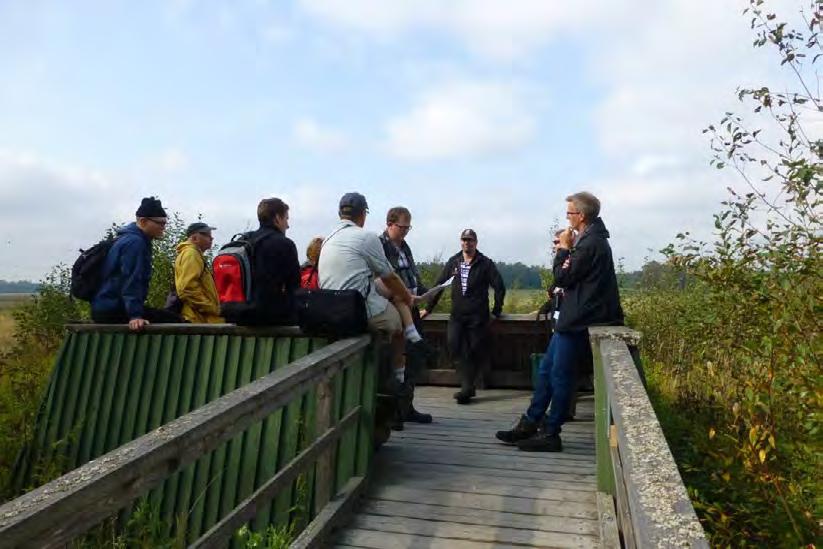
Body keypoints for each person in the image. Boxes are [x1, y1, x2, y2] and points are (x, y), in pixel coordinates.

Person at [496, 192, 623, 452]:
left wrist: (564, 248)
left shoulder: (590, 244)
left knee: (560, 376)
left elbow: (562, 278)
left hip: (579, 320)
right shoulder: (591, 240)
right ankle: (531, 422)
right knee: (546, 372)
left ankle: (551, 433)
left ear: (582, 216)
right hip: (573, 318)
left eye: (569, 213)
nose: (567, 218)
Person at [319, 193, 415, 390]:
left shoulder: (328, 239)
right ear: (363, 215)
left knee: (382, 289)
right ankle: (398, 381)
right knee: (398, 326)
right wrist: (407, 297)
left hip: (328, 308)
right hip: (354, 309)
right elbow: (390, 276)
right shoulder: (366, 237)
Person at [423, 229, 505, 404]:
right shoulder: (454, 262)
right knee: (454, 345)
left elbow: (499, 286)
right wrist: (428, 309)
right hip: (457, 315)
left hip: (478, 316)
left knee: (474, 349)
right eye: (464, 240)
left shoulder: (485, 263)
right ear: (460, 242)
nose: (467, 243)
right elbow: (439, 286)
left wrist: (496, 311)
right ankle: (468, 386)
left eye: (470, 240)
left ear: (476, 242)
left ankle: (467, 388)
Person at [91, 196, 182, 330]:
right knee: (176, 322)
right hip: (113, 308)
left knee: (168, 317)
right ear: (143, 221)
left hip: (104, 307)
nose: (163, 228)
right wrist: (135, 315)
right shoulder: (135, 243)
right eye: (159, 223)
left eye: (165, 223)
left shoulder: (128, 238)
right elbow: (132, 279)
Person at [379, 206, 433, 424]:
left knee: (412, 359)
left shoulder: (405, 247)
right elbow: (384, 277)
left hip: (411, 306)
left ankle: (406, 407)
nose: (406, 232)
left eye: (408, 227)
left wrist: (424, 292)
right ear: (390, 224)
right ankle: (391, 412)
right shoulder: (380, 245)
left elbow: (412, 275)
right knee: (391, 361)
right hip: (392, 309)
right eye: (402, 227)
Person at [227, 197, 300, 325]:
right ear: (277, 218)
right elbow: (294, 287)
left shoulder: (244, 242)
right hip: (269, 318)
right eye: (286, 219)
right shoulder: (284, 244)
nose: (288, 225)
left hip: (237, 314)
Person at [174, 222, 223, 324]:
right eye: (207, 235)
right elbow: (187, 288)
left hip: (198, 318)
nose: (211, 239)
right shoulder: (191, 254)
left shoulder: (193, 254)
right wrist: (211, 307)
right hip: (196, 319)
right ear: (195, 238)